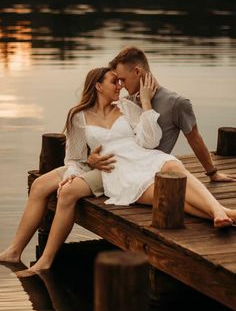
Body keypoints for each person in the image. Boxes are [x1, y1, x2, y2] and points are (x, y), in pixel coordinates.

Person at [0, 67, 235, 277]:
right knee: (41, 184)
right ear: (98, 86)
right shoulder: (78, 116)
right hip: (106, 167)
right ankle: (15, 252)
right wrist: (76, 170)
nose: (120, 86)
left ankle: (218, 211)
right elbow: (75, 158)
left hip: (131, 162)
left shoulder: (126, 107)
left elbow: (150, 142)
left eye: (120, 81)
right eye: (114, 81)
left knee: (172, 171)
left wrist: (145, 104)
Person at [87, 46, 236, 188]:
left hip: (154, 174)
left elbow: (194, 138)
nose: (121, 86)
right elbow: (110, 138)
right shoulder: (127, 103)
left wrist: (212, 173)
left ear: (137, 72)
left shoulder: (177, 103)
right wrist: (91, 160)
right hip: (124, 173)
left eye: (123, 79)